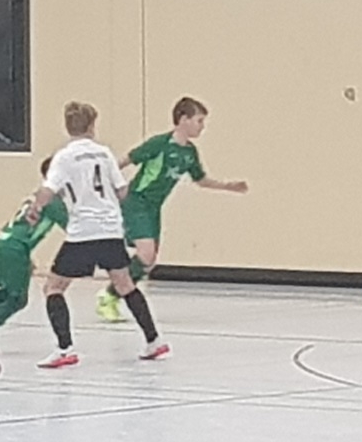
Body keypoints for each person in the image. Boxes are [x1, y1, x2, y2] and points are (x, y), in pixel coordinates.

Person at [29, 102, 169, 368]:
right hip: (110, 230)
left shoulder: (64, 157)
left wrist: (35, 208)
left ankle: (64, 348)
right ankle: (154, 341)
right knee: (125, 284)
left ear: (68, 127)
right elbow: (122, 191)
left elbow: (48, 190)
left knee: (53, 287)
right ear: (92, 126)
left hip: (83, 232)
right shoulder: (104, 154)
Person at [96, 96, 248, 322]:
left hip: (154, 208)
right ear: (183, 119)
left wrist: (228, 186)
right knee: (146, 253)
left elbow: (201, 180)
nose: (202, 126)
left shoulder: (190, 153)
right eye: (199, 121)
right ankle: (109, 296)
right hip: (137, 201)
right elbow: (125, 160)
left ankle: (112, 292)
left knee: (148, 262)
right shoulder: (159, 144)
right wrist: (102, 180)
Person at [0, 158, 68, 373]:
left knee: (3, 295)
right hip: (15, 250)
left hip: (5, 243)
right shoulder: (54, 201)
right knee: (17, 299)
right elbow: (75, 228)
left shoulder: (37, 195)